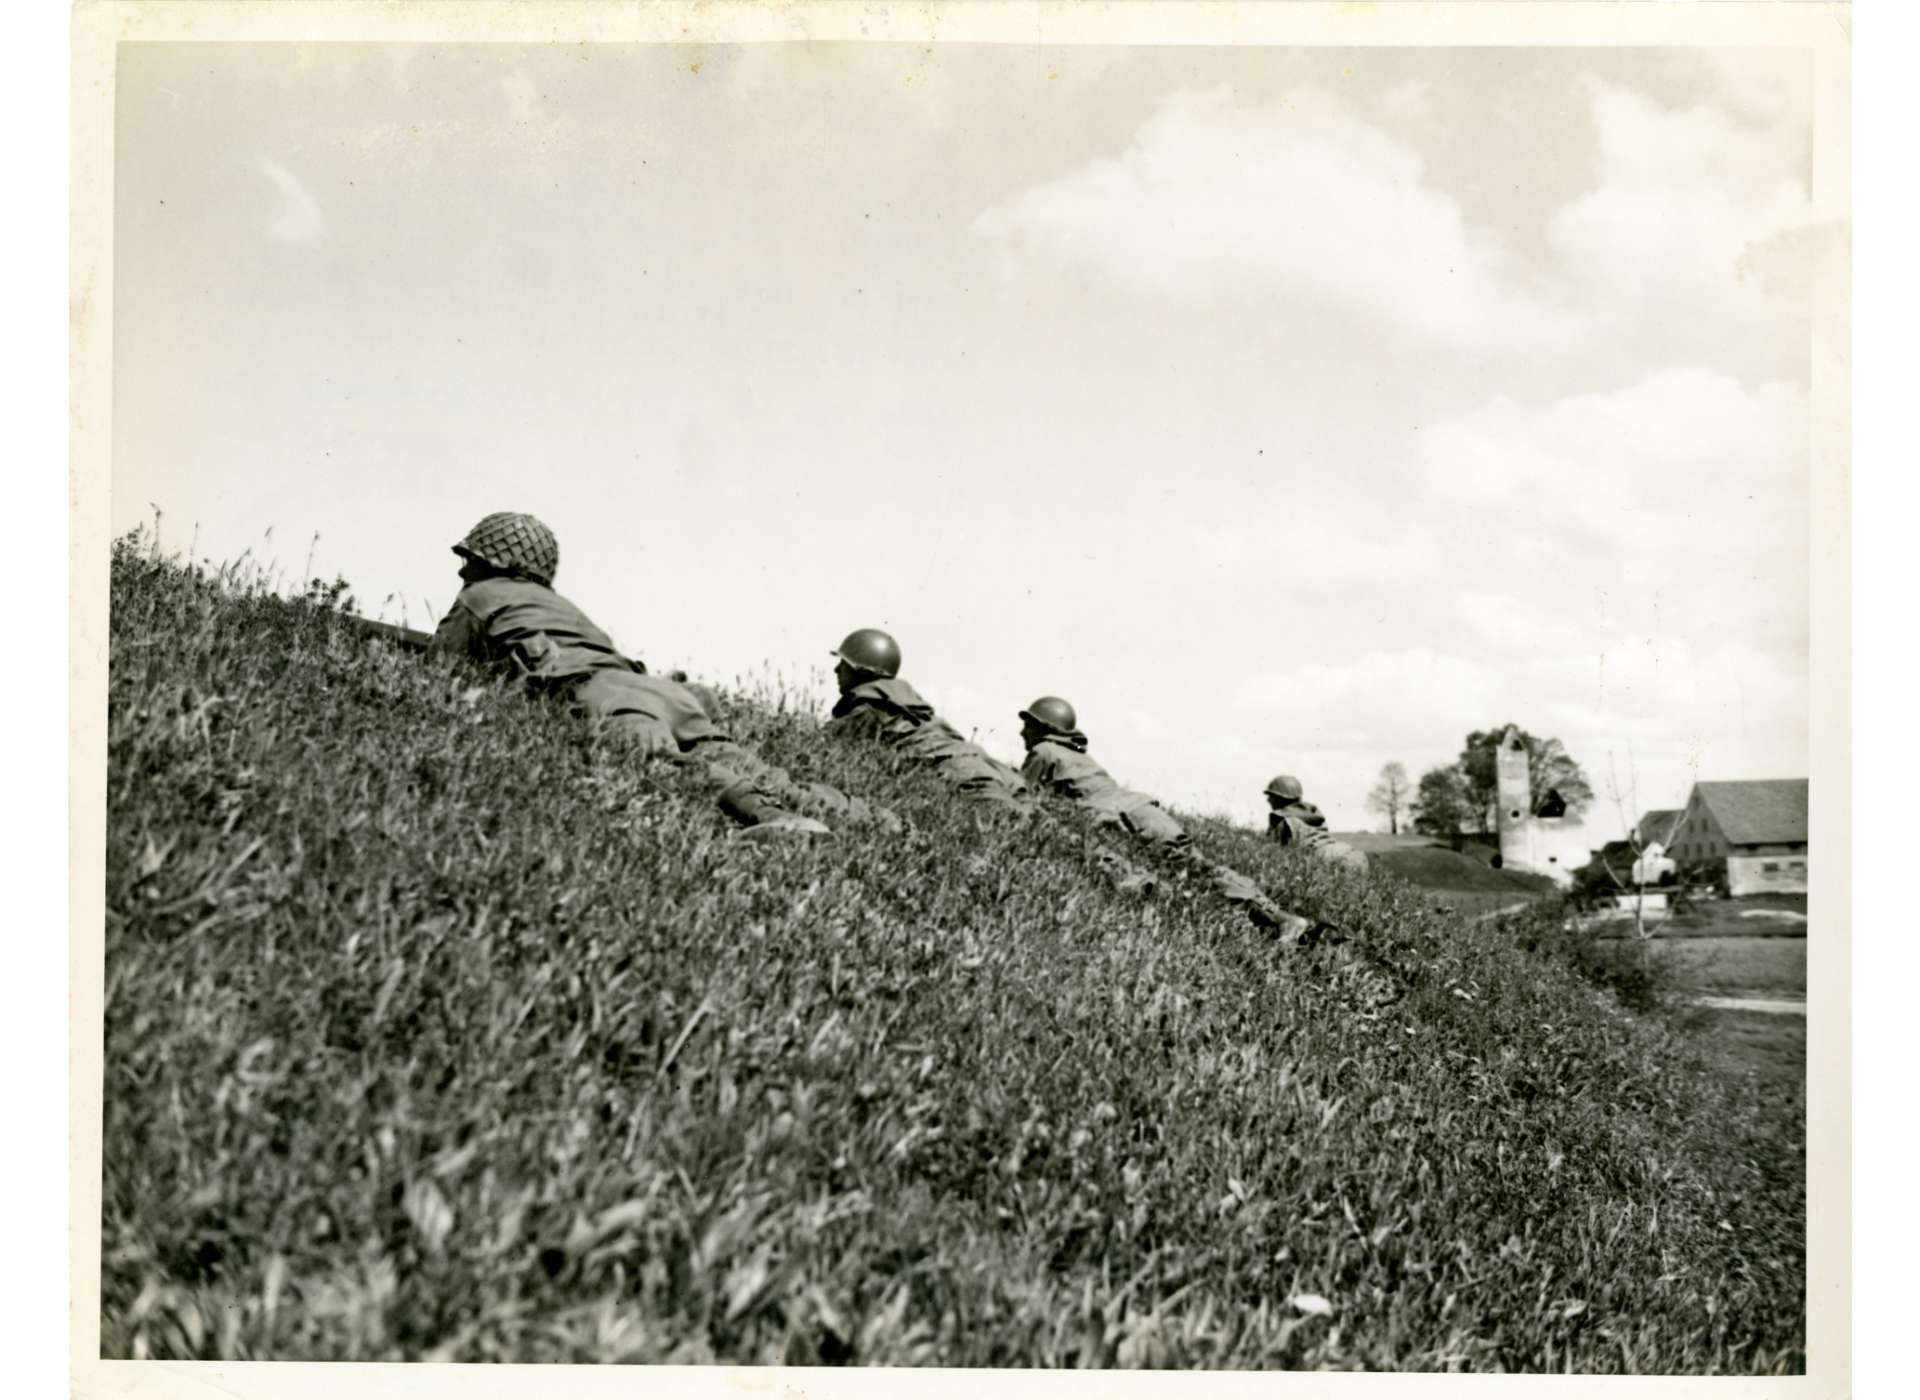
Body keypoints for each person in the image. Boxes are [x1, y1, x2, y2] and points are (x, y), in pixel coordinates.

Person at [430, 511, 871, 837]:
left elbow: (442, 666)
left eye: (469, 558)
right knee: (760, 770)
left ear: (490, 561)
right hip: (663, 693)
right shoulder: (563, 607)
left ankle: (775, 820)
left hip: (605, 695)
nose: (462, 568)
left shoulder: (481, 595)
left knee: (661, 764)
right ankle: (878, 821)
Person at [1017, 695, 1317, 938]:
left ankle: (1281, 919)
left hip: (1128, 820)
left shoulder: (1044, 751)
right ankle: (1279, 917)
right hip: (1145, 813)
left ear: (1045, 727)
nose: (1022, 732)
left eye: (1028, 725)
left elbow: (1019, 796)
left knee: (1195, 872)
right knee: (1199, 867)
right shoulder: (1080, 756)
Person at [824, 628, 1032, 812]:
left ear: (860, 670)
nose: (837, 670)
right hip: (996, 772)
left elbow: (820, 746)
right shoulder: (908, 704)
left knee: (1001, 827)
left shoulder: (870, 707)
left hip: (962, 774)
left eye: (843, 663)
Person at [1264, 775, 1369, 874]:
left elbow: (1274, 858)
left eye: (1271, 796)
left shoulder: (1281, 819)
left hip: (1326, 861)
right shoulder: (1314, 814)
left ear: (1281, 798)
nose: (1268, 800)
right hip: (1353, 854)